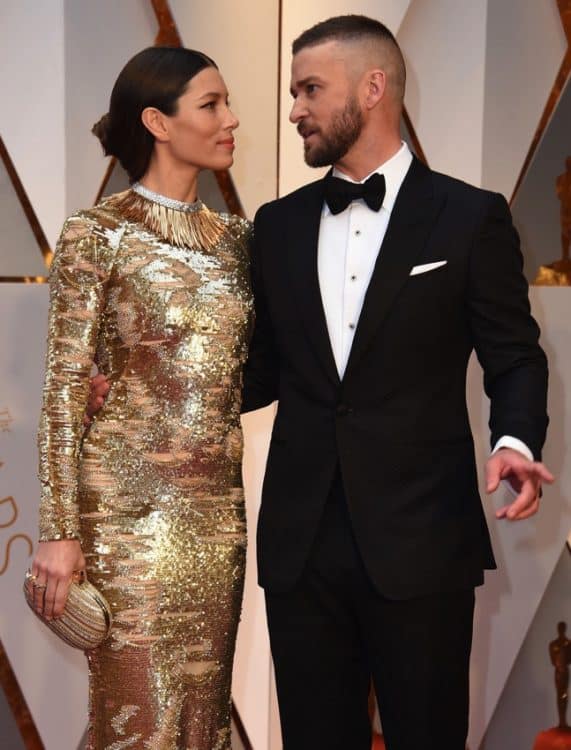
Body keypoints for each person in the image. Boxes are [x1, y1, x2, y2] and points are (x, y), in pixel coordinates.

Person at [241, 15, 553, 750]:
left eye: (309, 89)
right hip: (301, 543)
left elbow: (514, 355)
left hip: (422, 536)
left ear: (372, 87)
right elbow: (257, 372)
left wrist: (512, 437)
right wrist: (147, 393)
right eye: (294, 92)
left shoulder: (470, 217)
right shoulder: (277, 225)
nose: (294, 110)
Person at [30, 46, 252, 750]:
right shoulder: (98, 234)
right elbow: (65, 387)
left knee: (202, 714)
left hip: (217, 514)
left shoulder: (240, 242)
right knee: (137, 718)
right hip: (125, 509)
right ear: (158, 120)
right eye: (211, 105)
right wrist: (60, 532)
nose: (231, 119)